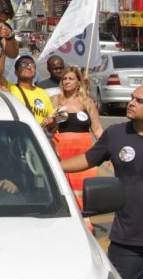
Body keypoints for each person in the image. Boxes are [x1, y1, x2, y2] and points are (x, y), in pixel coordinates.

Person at [61, 86, 143, 279]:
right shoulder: (115, 134)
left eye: (139, 101)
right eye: (131, 98)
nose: (130, 102)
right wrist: (50, 167)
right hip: (127, 244)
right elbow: (87, 159)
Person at [50, 65, 104, 229]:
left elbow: (97, 129)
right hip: (61, 155)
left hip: (84, 157)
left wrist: (108, 150)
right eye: (64, 78)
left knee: (83, 194)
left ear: (78, 82)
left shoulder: (87, 103)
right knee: (63, 191)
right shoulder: (55, 101)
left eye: (71, 78)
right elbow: (47, 127)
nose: (66, 81)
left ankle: (85, 228)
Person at [0, 55, 56, 127]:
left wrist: (51, 123)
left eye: (32, 65)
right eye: (23, 65)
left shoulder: (44, 93)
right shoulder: (10, 88)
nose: (28, 67)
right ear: (16, 72)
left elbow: (53, 122)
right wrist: (4, 51)